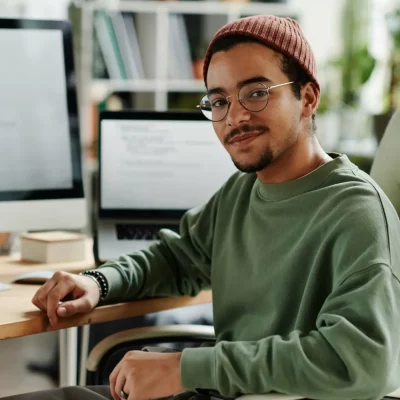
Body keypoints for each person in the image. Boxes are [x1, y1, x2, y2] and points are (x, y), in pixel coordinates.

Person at [4, 14, 400, 400]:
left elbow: (364, 362)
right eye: (219, 101)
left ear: (308, 97)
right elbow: (177, 259)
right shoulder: (242, 192)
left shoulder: (356, 213)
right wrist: (99, 282)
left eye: (257, 93)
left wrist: (186, 368)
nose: (236, 116)